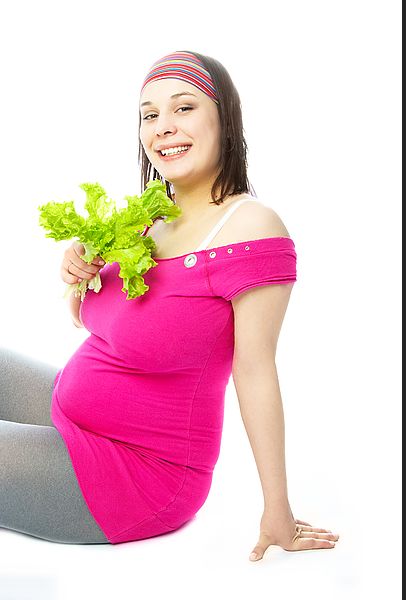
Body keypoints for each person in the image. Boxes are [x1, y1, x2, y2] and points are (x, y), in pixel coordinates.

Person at [0, 50, 339, 560]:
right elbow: (94, 323)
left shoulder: (251, 229)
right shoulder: (149, 215)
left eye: (183, 108)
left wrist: (278, 509)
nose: (164, 127)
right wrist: (79, 275)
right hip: (70, 411)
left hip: (133, 474)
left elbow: (255, 372)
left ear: (224, 118)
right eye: (150, 114)